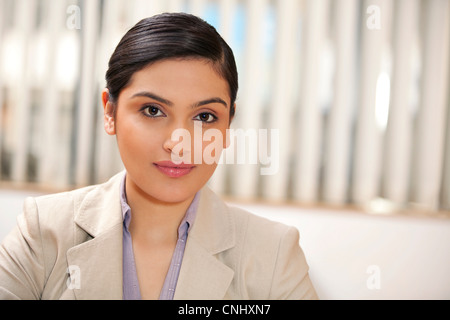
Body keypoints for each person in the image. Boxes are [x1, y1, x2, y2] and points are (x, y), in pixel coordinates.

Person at [0, 12, 318, 300]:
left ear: (228, 124)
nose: (178, 144)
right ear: (110, 111)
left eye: (205, 117)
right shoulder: (42, 233)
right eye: (153, 110)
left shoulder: (273, 253)